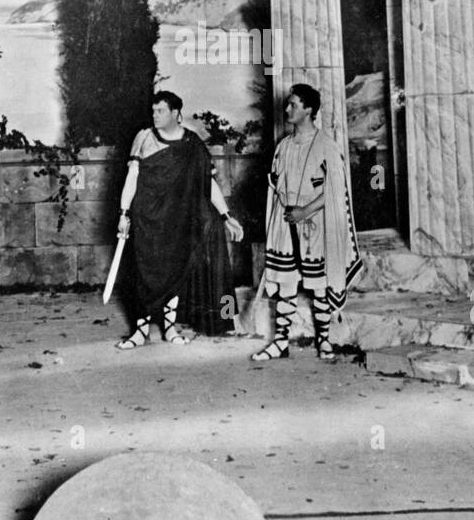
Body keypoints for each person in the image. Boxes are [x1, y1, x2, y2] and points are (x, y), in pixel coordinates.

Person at [114, 91, 244, 348]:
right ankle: (140, 332)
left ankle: (170, 329)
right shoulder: (144, 138)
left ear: (175, 113)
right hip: (145, 217)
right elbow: (132, 177)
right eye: (153, 111)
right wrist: (124, 213)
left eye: (160, 111)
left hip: (177, 219)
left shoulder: (192, 143)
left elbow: (208, 182)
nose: (155, 115)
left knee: (175, 272)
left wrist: (226, 215)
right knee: (144, 272)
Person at [252, 83, 364, 362]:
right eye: (288, 104)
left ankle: (324, 340)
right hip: (285, 221)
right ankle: (280, 342)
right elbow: (275, 183)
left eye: (293, 105)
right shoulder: (284, 146)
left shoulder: (326, 145)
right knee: (285, 282)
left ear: (309, 109)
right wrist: (286, 209)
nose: (287, 109)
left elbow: (336, 192)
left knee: (319, 283)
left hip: (314, 222)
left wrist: (305, 210)